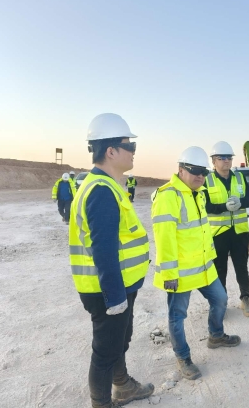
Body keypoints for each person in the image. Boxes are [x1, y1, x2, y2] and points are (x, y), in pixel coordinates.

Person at [69, 113, 154, 408]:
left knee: (119, 342)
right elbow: (103, 250)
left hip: (118, 285)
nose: (133, 151)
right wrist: (115, 297)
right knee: (105, 352)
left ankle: (123, 386)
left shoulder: (108, 184)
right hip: (107, 289)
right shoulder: (101, 191)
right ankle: (101, 403)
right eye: (129, 145)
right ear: (111, 151)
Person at [152, 146, 241, 381]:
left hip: (203, 266)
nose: (200, 176)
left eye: (204, 172)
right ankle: (183, 357)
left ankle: (216, 335)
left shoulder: (199, 193)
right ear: (181, 169)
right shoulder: (168, 196)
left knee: (220, 300)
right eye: (195, 171)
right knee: (177, 316)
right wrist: (169, 274)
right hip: (180, 272)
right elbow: (164, 238)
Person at [204, 141, 249, 317]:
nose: (226, 160)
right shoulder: (207, 180)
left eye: (229, 157)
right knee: (220, 269)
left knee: (242, 267)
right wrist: (224, 207)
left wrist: (241, 203)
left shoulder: (239, 177)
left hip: (239, 232)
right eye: (222, 158)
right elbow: (205, 205)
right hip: (218, 233)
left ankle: (246, 298)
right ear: (214, 161)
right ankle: (221, 303)